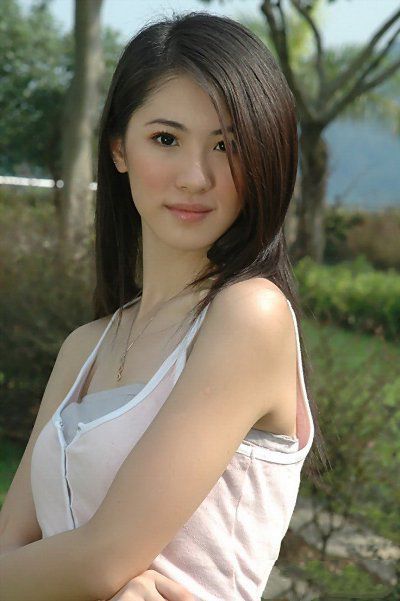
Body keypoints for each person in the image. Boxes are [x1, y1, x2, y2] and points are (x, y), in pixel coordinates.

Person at [0, 10, 327, 601]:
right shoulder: (85, 348)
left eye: (227, 145)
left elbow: (102, 559)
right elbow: (12, 545)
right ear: (119, 149)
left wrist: (87, 570)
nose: (195, 177)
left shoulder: (249, 317)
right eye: (166, 140)